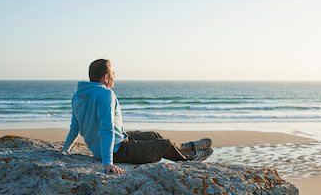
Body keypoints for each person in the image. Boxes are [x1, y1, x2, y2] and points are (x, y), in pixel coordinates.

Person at [62, 59, 213, 175]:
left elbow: (75, 127)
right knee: (163, 144)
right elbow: (105, 129)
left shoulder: (78, 95)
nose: (115, 76)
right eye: (113, 73)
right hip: (116, 151)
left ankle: (185, 148)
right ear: (106, 77)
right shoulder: (105, 94)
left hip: (116, 142)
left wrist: (65, 150)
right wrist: (108, 163)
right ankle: (190, 159)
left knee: (153, 135)